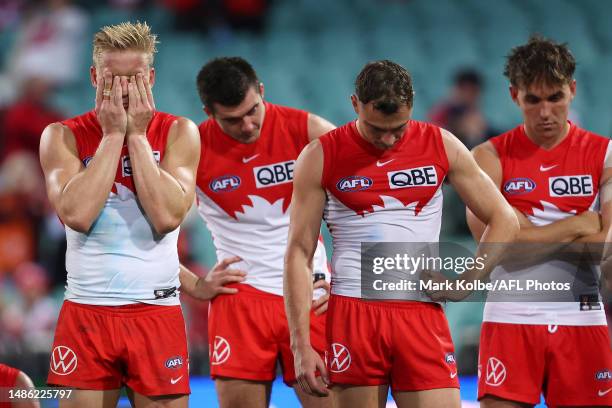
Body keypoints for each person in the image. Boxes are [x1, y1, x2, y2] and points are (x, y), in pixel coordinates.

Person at [284, 59, 518, 408]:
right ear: (354, 105)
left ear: (412, 107)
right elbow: (299, 252)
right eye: (376, 129)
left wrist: (466, 281)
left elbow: (505, 220)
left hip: (420, 311)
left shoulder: (442, 144)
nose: (389, 139)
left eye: (399, 127)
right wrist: (301, 345)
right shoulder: (320, 155)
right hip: (354, 315)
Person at [39, 22, 199, 408]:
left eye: (136, 79)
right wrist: (113, 136)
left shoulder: (180, 132)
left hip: (156, 314)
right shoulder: (61, 135)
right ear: (95, 76)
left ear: (152, 77)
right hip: (87, 312)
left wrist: (138, 136)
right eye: (114, 80)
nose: (126, 90)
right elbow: (75, 214)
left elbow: (166, 217)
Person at [178, 57, 335, 408]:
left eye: (253, 111)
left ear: (262, 91)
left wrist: (348, 283)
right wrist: (195, 285)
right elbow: (147, 232)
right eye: (232, 120)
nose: (248, 126)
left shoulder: (309, 130)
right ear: (208, 112)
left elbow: (365, 208)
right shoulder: (192, 148)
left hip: (313, 294)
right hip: (240, 300)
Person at [467, 36, 612, 407]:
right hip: (509, 318)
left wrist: (523, 230)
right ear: (515, 95)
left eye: (555, 97)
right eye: (533, 99)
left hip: (581, 319)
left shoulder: (605, 154)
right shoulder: (485, 158)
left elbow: (604, 249)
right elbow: (500, 251)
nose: (545, 112)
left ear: (573, 91)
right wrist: (577, 223)